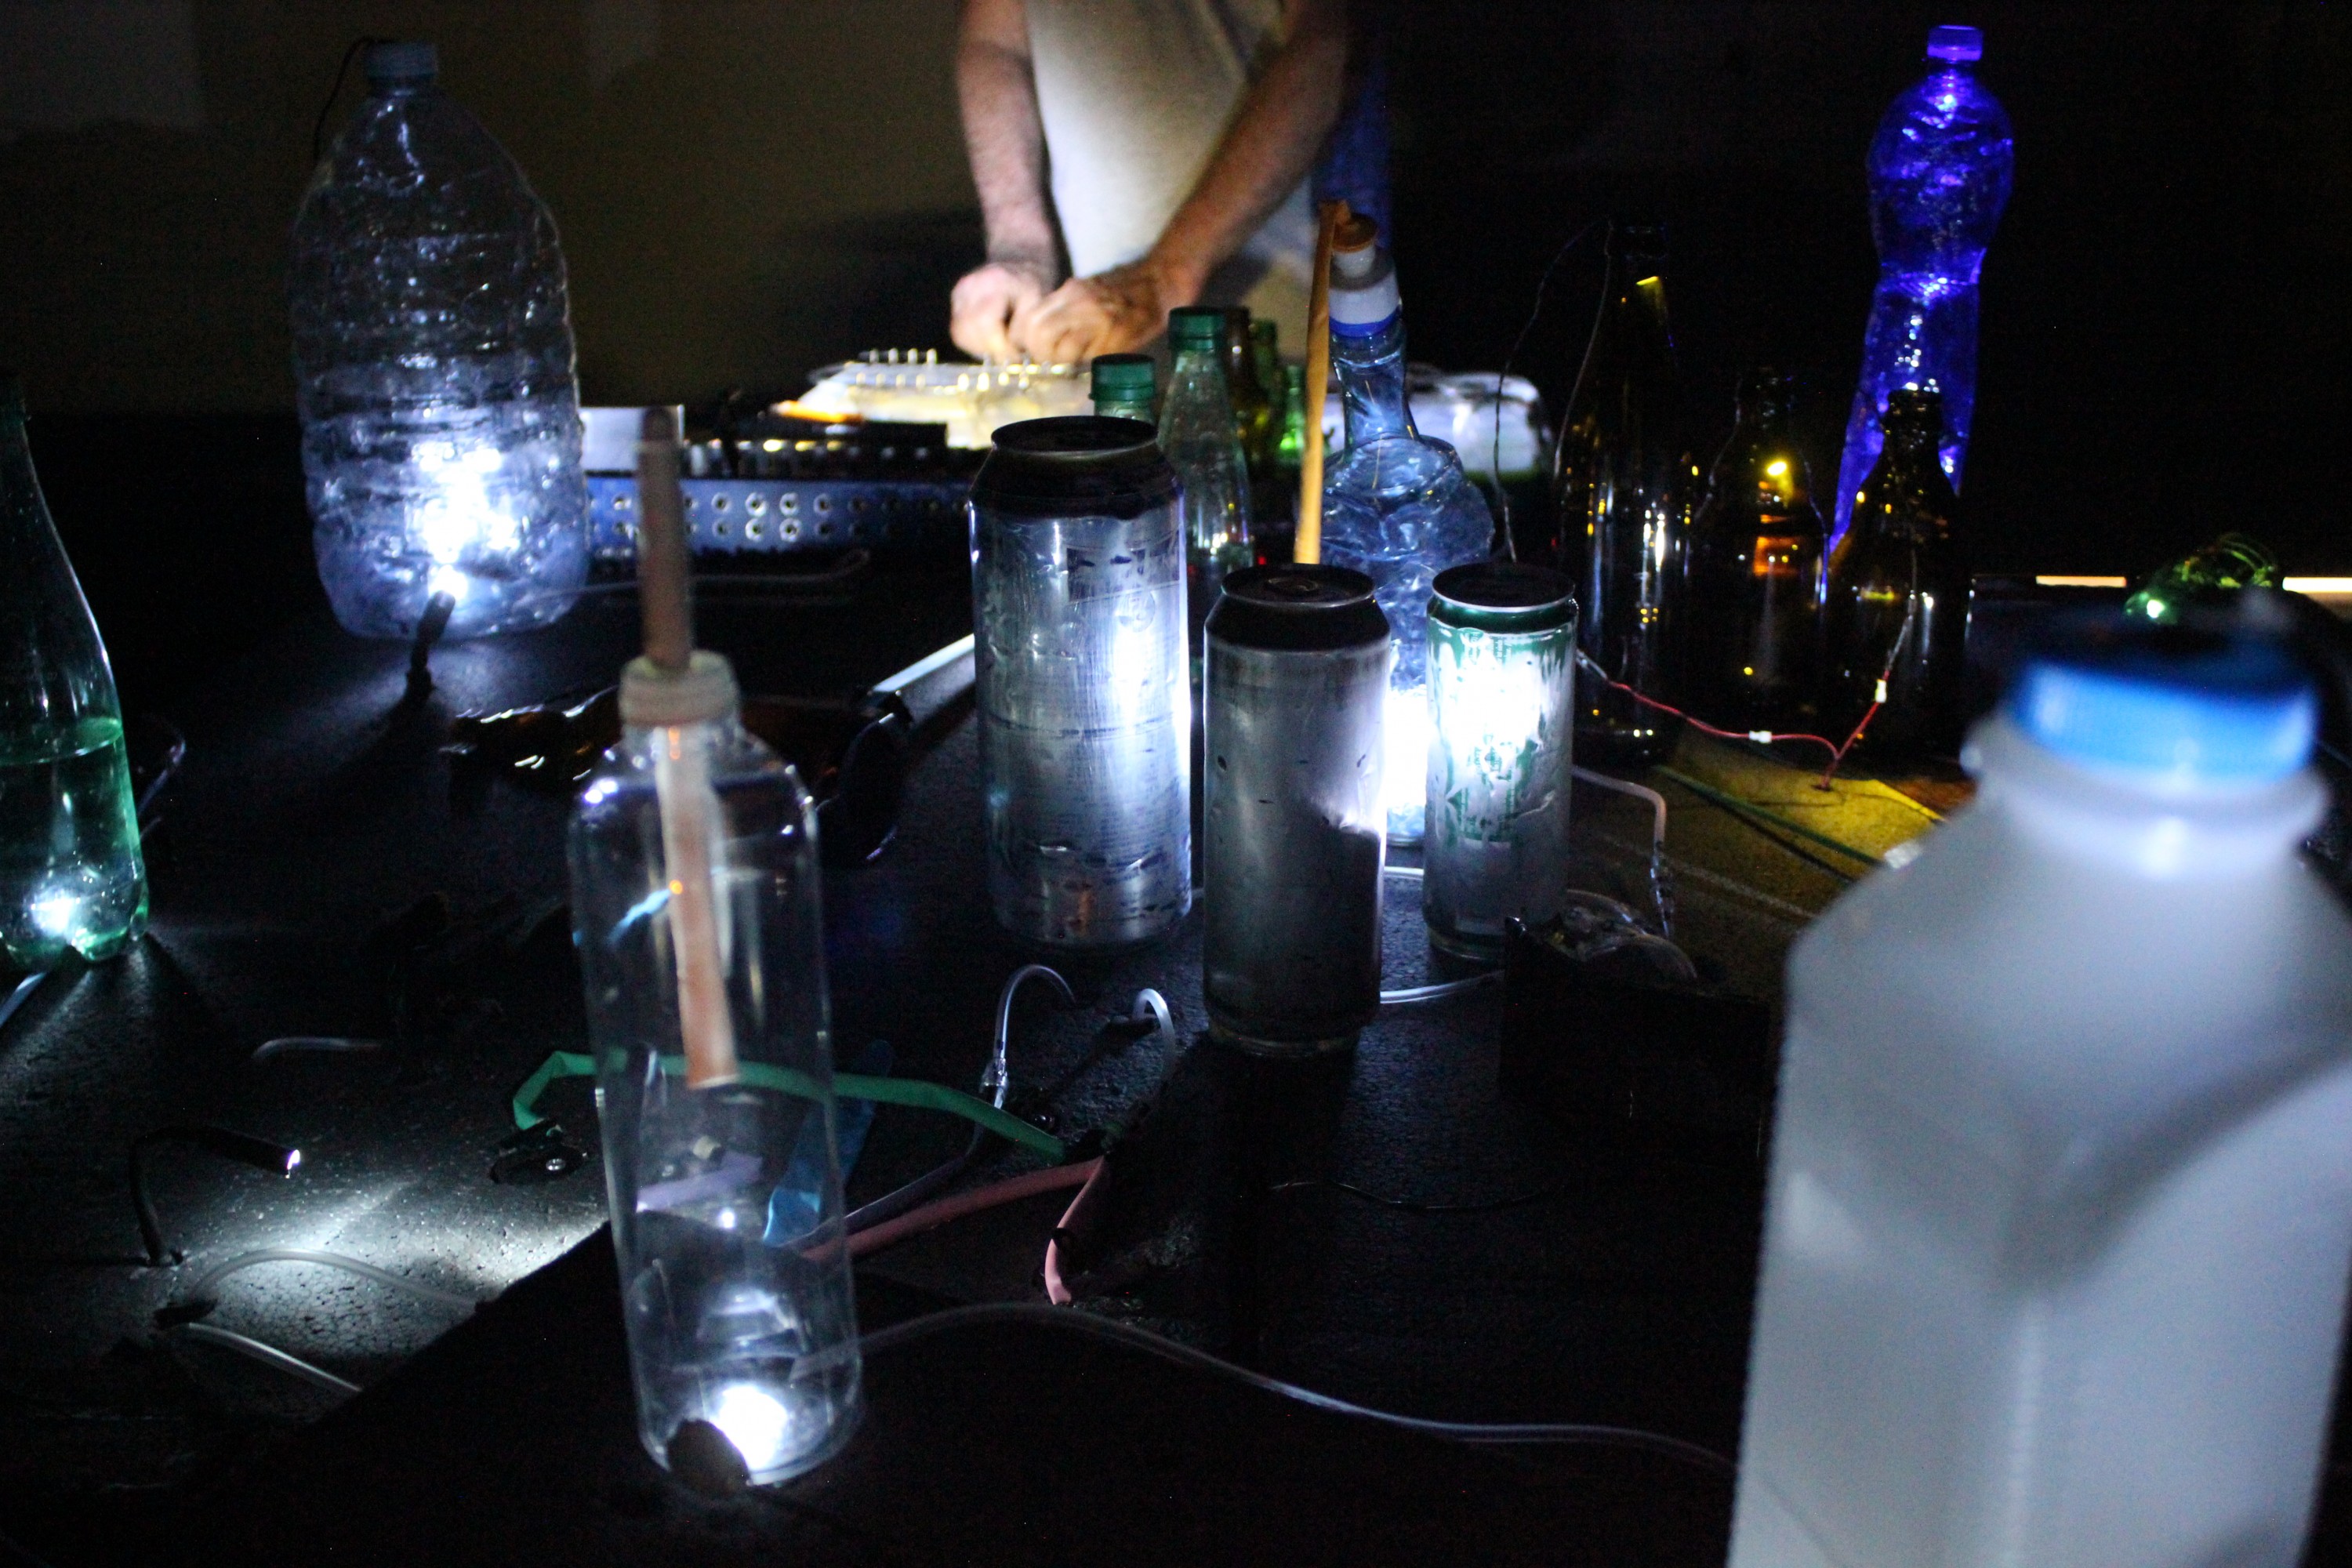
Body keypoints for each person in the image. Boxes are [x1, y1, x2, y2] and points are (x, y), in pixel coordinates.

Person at [948, 0, 1351, 366]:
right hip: (1106, 334)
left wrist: (1164, 278)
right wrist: (1021, 249)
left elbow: (1323, 42)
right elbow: (995, 42)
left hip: (1281, 330)